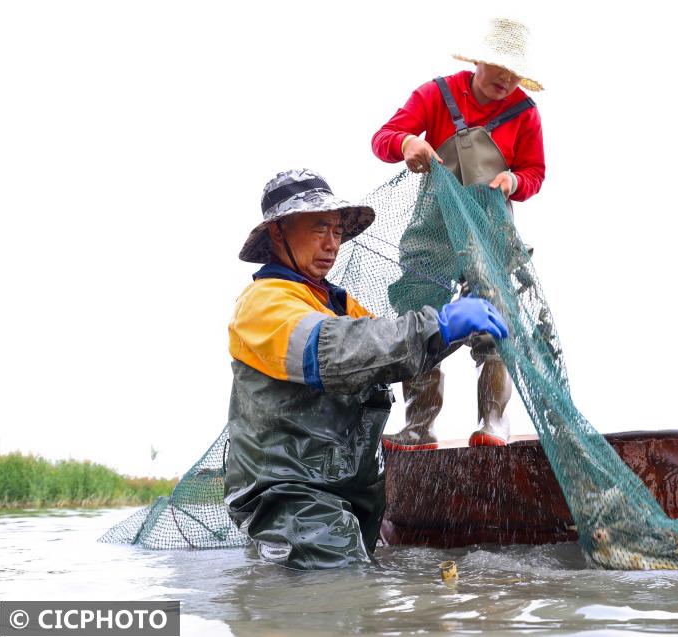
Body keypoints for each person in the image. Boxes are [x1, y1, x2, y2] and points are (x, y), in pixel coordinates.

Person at [224, 169, 509, 569]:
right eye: (319, 227)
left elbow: (389, 351)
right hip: (291, 501)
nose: (332, 244)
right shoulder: (263, 303)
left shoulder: (339, 304)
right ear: (278, 233)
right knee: (340, 596)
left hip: (345, 500)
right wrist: (441, 324)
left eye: (338, 231)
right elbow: (339, 352)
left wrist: (459, 326)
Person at [370, 17, 545, 451]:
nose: (505, 80)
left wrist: (513, 182)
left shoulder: (525, 113)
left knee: (495, 317)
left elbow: (535, 173)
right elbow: (384, 138)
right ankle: (419, 425)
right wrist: (408, 143)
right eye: (497, 68)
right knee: (418, 312)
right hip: (432, 227)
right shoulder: (437, 93)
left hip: (490, 230)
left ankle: (494, 421)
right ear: (477, 61)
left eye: (513, 73)